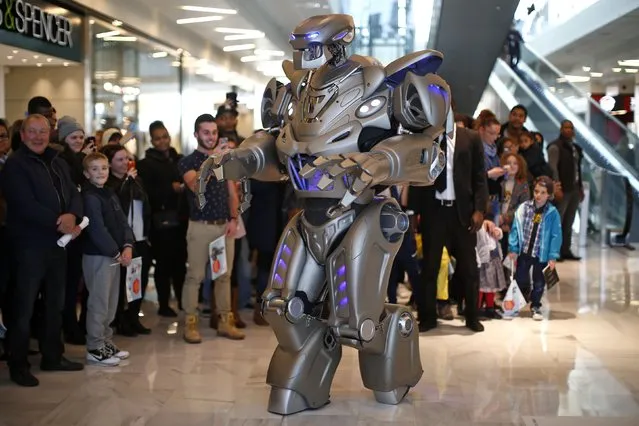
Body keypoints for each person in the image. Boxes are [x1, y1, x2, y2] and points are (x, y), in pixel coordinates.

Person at [1, 114, 85, 386]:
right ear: (23, 135)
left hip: (57, 245)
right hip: (28, 246)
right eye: (32, 132)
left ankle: (53, 356)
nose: (38, 136)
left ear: (50, 134)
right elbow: (23, 204)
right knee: (23, 308)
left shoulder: (58, 161)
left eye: (43, 131)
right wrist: (58, 222)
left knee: (56, 304)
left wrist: (72, 214)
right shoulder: (14, 165)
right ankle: (19, 364)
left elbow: (74, 193)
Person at [414, 123, 488, 333]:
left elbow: (479, 176)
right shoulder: (426, 136)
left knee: (469, 269)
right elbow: (417, 176)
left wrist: (480, 209)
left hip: (462, 214)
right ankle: (428, 318)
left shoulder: (471, 137)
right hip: (434, 213)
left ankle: (472, 316)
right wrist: (413, 211)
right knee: (430, 268)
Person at [178, 113, 244, 343]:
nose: (211, 136)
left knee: (224, 276)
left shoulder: (225, 160)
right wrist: (212, 160)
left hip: (223, 225)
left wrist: (234, 218)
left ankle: (226, 321)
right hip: (200, 226)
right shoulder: (188, 161)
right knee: (195, 276)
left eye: (214, 132)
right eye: (206, 132)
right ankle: (190, 323)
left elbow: (231, 192)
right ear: (196, 134)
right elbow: (196, 185)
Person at [81, 152, 134, 366]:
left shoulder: (109, 193)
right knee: (99, 302)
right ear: (86, 174)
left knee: (112, 301)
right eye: (95, 169)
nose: (100, 172)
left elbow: (122, 222)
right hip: (98, 255)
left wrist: (128, 244)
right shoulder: (89, 197)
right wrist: (115, 251)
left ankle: (105, 341)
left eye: (103, 167)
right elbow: (96, 229)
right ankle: (94, 346)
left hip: (115, 255)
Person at [137, 121, 187, 317]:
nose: (162, 141)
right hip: (160, 223)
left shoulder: (178, 159)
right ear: (152, 140)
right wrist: (170, 189)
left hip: (181, 219)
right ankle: (164, 303)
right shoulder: (145, 164)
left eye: (165, 136)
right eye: (158, 138)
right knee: (163, 265)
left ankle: (183, 301)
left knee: (180, 263)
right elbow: (147, 193)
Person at [102, 144, 152, 336]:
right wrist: (126, 183)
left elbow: (146, 206)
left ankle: (133, 317)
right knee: (121, 282)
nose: (125, 163)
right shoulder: (108, 184)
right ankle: (120, 319)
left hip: (140, 236)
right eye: (119, 160)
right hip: (122, 240)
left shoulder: (136, 180)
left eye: (126, 158)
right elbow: (116, 206)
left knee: (139, 279)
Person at [508, 176, 562, 321]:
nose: (538, 195)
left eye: (543, 192)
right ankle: (514, 305)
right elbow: (515, 228)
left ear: (549, 195)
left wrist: (552, 256)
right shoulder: (524, 208)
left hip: (541, 255)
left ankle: (535, 306)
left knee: (539, 281)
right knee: (519, 279)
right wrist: (513, 247)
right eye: (536, 191)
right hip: (524, 252)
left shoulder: (552, 213)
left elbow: (556, 236)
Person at [56, 116, 90, 345]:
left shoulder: (79, 159)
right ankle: (69, 326)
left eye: (80, 136)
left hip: (81, 228)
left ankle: (74, 325)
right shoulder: (62, 161)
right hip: (69, 230)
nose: (78, 140)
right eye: (73, 137)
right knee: (69, 282)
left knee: (77, 279)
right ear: (63, 138)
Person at [547, 120, 583, 261]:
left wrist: (579, 187)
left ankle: (566, 250)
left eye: (570, 128)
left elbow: (577, 169)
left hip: (574, 188)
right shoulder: (555, 147)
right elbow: (553, 168)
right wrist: (557, 187)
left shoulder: (575, 148)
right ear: (561, 129)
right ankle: (555, 251)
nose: (568, 130)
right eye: (565, 127)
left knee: (569, 221)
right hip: (563, 188)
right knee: (558, 221)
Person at [476, 220, 506, 319]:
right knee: (481, 287)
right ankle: (477, 309)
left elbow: (499, 234)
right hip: (483, 261)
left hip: (494, 259)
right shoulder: (478, 228)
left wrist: (497, 231)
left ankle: (490, 308)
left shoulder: (490, 225)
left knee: (491, 286)